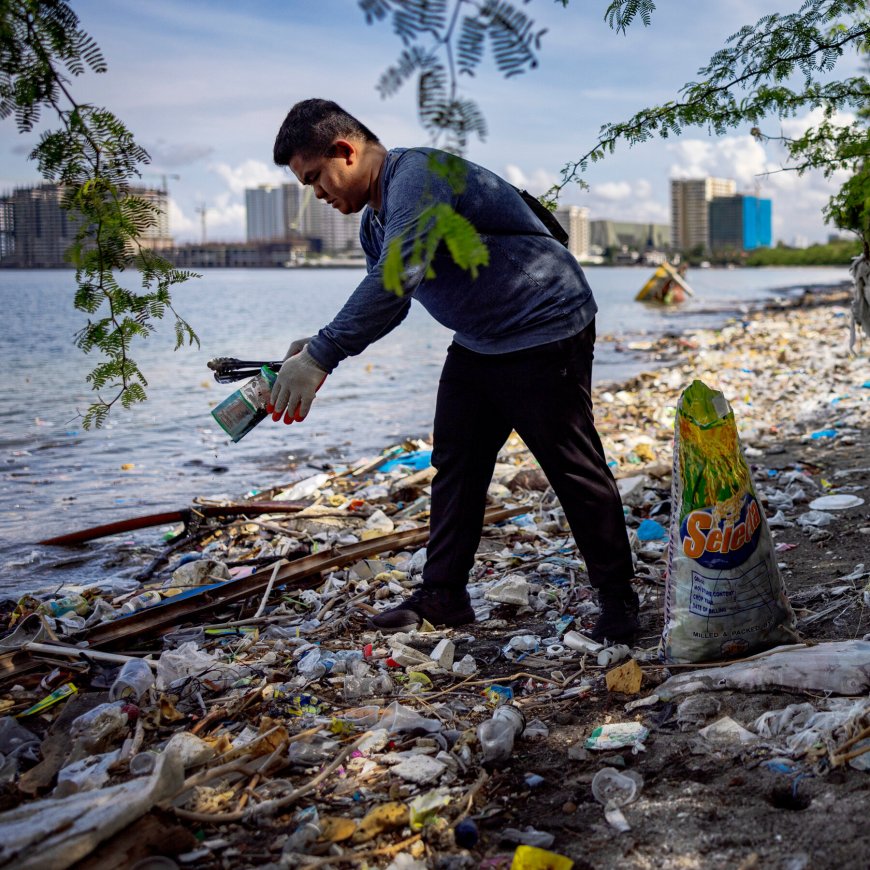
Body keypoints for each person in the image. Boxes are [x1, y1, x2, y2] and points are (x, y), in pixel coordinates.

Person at [268, 98, 639, 643]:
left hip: (545, 325)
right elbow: (390, 300)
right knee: (456, 464)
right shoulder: (377, 219)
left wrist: (324, 353)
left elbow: (396, 278)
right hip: (481, 341)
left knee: (572, 468)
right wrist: (312, 349)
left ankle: (619, 601)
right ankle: (443, 596)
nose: (317, 195)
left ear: (344, 151)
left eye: (314, 179)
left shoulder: (416, 178)